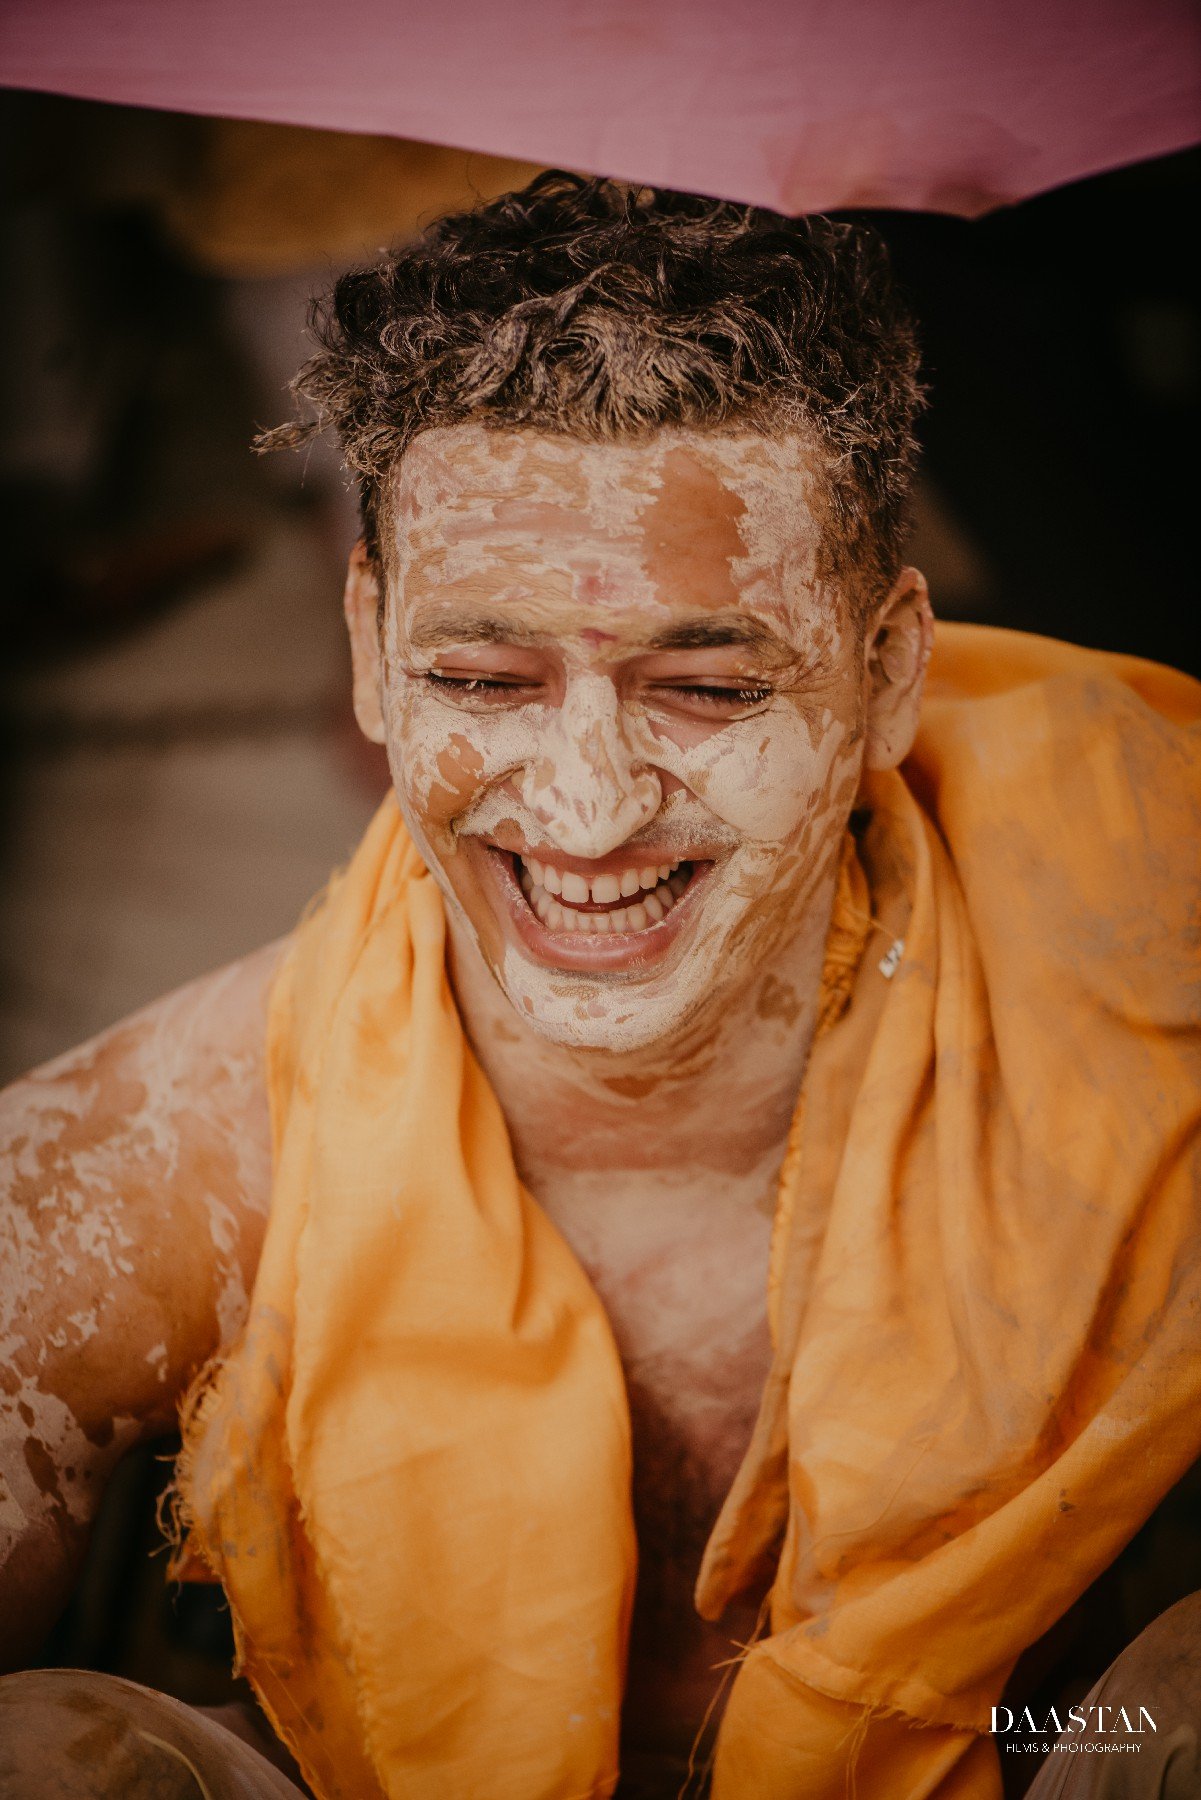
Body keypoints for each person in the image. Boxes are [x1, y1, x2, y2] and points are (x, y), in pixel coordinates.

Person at [1, 174, 1198, 1800]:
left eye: (703, 687)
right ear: (366, 650)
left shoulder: (1147, 960)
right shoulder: (159, 1162)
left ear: (887, 674)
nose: (582, 808)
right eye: (479, 679)